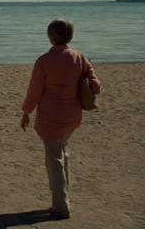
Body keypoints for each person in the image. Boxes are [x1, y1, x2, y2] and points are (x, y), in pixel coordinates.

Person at [21, 18, 102, 220]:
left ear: (54, 36)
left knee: (55, 158)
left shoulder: (44, 61)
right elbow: (97, 87)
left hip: (51, 117)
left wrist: (26, 112)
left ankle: (61, 205)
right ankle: (61, 197)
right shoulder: (80, 58)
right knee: (62, 153)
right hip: (72, 116)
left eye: (49, 32)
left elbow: (34, 91)